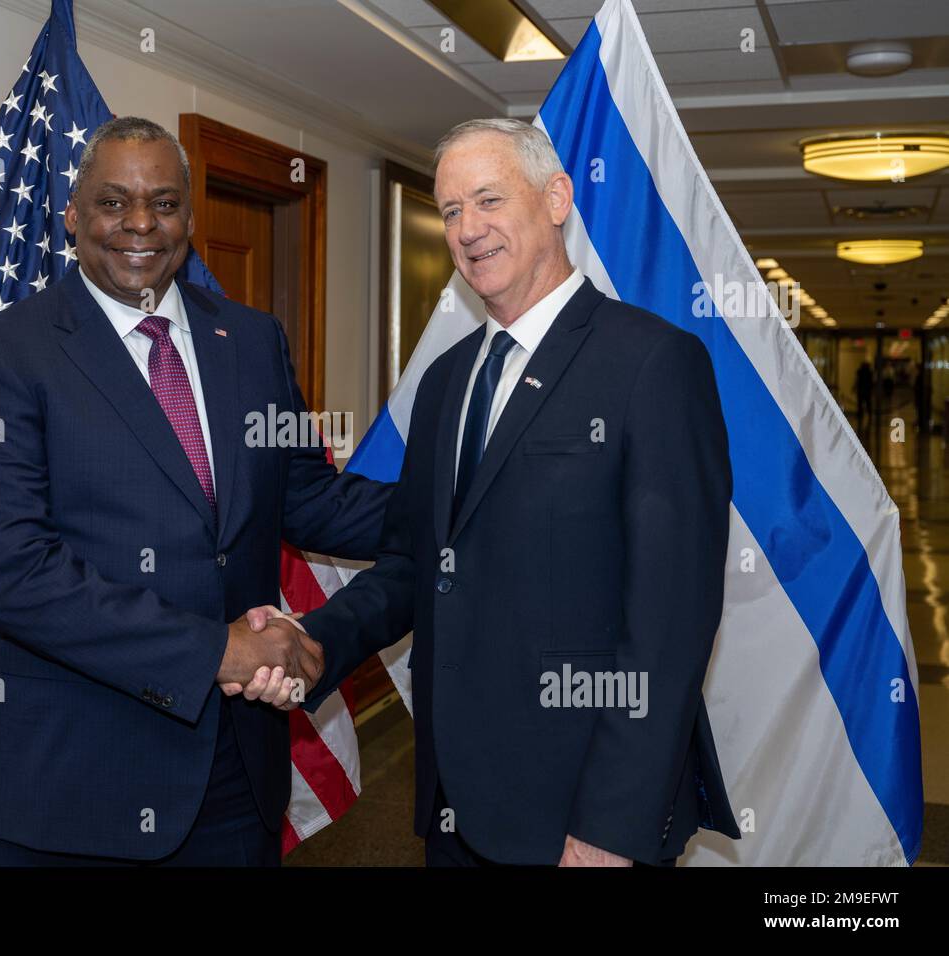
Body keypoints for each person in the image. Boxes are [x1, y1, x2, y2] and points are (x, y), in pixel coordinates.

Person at [234, 118, 741, 866]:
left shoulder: (653, 364)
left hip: (583, 811)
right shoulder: (446, 383)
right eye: (450, 211)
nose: (469, 230)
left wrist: (609, 826)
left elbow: (669, 627)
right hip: (456, 803)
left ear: (557, 198)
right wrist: (314, 642)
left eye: (489, 200)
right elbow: (415, 563)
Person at [0, 116, 391, 865]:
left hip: (235, 772)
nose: (141, 224)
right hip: (74, 782)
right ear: (74, 215)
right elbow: (12, 573)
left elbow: (311, 498)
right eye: (114, 203)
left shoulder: (251, 341)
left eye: (164, 202)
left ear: (190, 214)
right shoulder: (5, 355)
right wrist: (219, 650)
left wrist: (465, 496)